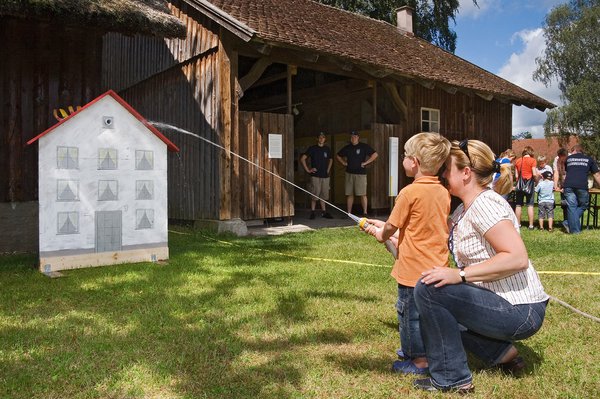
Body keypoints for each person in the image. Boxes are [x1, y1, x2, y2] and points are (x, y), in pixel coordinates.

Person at [413, 139, 549, 393]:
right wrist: (390, 235)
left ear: (466, 173)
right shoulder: (463, 211)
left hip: (520, 310)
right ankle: (503, 354)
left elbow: (516, 257)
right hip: (503, 304)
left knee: (429, 290)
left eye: (446, 169)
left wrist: (460, 275)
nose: (442, 174)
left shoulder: (486, 204)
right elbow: (433, 245)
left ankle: (452, 378)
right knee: (435, 296)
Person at [363, 132, 451, 375]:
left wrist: (379, 233)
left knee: (408, 315)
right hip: (436, 268)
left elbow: (392, 227)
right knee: (426, 315)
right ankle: (419, 348)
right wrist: (383, 226)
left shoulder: (408, 192)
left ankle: (418, 360)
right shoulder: (443, 192)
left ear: (414, 162)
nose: (402, 160)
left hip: (412, 270)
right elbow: (417, 225)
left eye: (404, 156)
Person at [336, 131, 378, 216]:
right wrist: (343, 163)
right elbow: (338, 155)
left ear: (358, 137)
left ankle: (365, 213)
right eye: (351, 137)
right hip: (349, 173)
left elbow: (375, 154)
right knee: (349, 194)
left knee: (363, 194)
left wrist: (366, 163)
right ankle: (349, 213)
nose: (353, 138)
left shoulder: (363, 146)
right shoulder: (347, 147)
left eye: (355, 136)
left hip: (361, 174)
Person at [562, 144, 600, 234]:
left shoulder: (568, 159)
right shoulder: (589, 159)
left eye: (572, 151)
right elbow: (597, 174)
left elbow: (567, 172)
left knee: (572, 207)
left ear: (575, 150)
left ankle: (568, 223)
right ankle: (574, 230)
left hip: (568, 185)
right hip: (581, 186)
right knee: (584, 205)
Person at [300, 132, 334, 219]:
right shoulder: (312, 148)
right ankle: (312, 212)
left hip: (325, 176)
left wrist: (328, 170)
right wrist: (308, 170)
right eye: (320, 137)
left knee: (324, 195)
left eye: (323, 137)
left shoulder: (327, 149)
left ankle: (324, 212)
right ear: (317, 139)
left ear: (325, 139)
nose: (321, 139)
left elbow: (331, 159)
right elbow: (303, 158)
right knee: (315, 194)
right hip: (315, 175)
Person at [514, 146, 538, 229]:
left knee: (518, 205)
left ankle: (518, 224)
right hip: (529, 185)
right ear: (531, 152)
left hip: (519, 185)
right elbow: (534, 174)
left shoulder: (517, 161)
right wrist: (536, 181)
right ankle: (530, 225)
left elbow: (516, 176)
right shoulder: (533, 160)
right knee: (530, 205)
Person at [553, 148, 568, 224]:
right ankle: (565, 220)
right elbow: (556, 172)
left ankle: (569, 220)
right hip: (562, 183)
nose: (560, 159)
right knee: (564, 203)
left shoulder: (570, 159)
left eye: (561, 158)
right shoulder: (556, 159)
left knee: (570, 203)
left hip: (570, 183)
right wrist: (555, 185)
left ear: (565, 156)